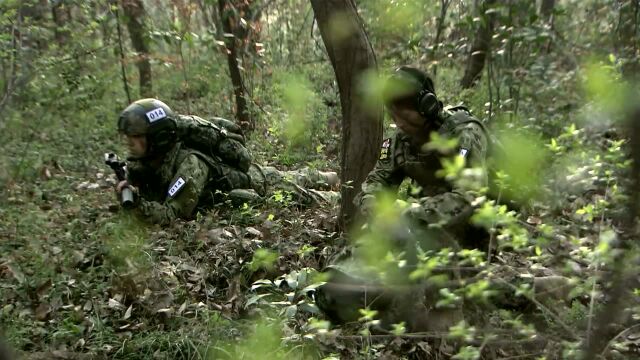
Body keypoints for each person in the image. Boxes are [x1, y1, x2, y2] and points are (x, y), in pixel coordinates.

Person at [315, 66, 490, 331]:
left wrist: (411, 214)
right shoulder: (400, 141)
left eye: (403, 111)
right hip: (423, 219)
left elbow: (468, 197)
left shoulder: (464, 135)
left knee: (473, 289)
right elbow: (375, 181)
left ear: (426, 105)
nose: (398, 120)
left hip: (474, 225)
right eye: (392, 112)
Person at [114, 98, 338, 225]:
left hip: (255, 182)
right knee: (292, 176)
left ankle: (342, 190)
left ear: (158, 139)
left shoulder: (191, 165)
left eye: (136, 137)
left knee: (308, 195)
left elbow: (173, 215)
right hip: (254, 174)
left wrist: (138, 206)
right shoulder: (152, 161)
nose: (129, 143)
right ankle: (328, 177)